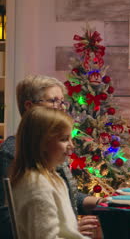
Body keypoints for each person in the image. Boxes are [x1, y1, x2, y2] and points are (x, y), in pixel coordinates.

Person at [0, 75, 100, 238]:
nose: (61, 108)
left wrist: (100, 202)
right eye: (53, 101)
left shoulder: (51, 153)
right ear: (29, 107)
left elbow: (65, 196)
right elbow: (9, 218)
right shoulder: (12, 153)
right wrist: (72, 232)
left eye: (62, 102)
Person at [10, 106, 88, 238]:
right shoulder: (37, 185)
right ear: (42, 143)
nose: (72, 145)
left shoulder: (53, 178)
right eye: (64, 139)